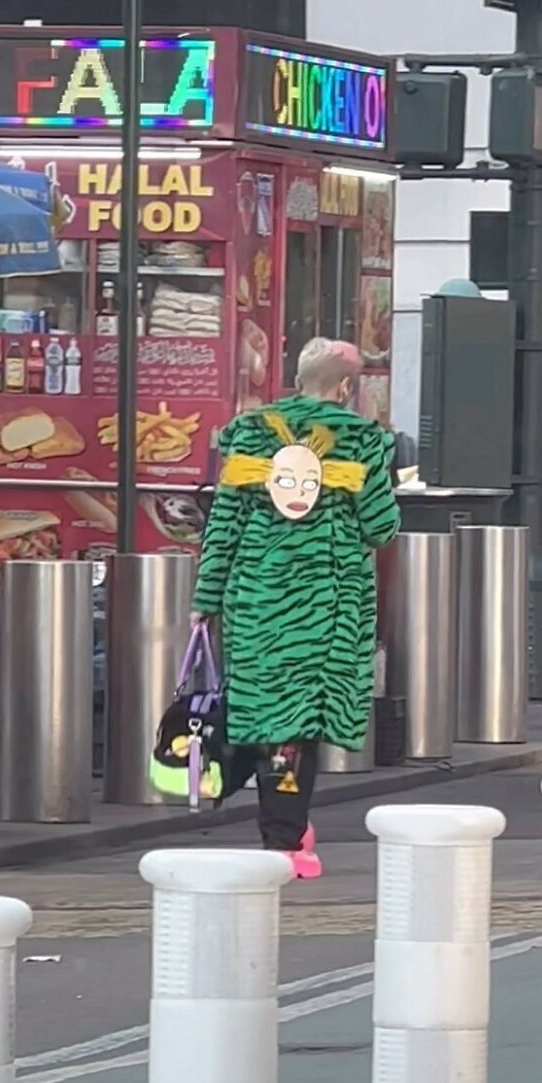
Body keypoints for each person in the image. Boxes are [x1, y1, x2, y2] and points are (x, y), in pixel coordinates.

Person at [190, 338, 401, 876]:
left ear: (296, 378)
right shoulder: (362, 439)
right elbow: (381, 526)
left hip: (256, 597)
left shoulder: (249, 433)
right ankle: (285, 837)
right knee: (297, 721)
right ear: (347, 387)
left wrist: (205, 599)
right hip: (327, 603)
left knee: (265, 709)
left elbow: (223, 526)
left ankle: (282, 827)